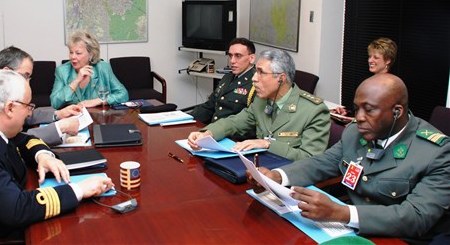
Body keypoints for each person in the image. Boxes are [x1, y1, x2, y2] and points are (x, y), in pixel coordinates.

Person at [248, 73, 450, 243]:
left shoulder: (437, 153)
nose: (359, 117)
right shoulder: (355, 132)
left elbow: (415, 217)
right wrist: (276, 177)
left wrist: (340, 213)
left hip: (400, 238)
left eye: (369, 110)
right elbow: (322, 163)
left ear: (397, 112)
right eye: (357, 108)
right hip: (348, 230)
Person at [0, 70, 114, 239]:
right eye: (28, 106)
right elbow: (16, 208)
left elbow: (24, 141)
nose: (30, 113)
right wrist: (80, 189)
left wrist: (43, 156)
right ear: (10, 108)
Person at [188, 49, 330, 161]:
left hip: (289, 180)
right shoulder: (261, 101)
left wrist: (267, 144)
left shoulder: (313, 111)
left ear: (281, 79)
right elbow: (234, 123)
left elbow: (311, 160)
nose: (254, 78)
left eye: (261, 73)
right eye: (256, 71)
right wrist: (206, 134)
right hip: (259, 170)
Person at [0, 46, 81, 146]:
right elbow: (9, 141)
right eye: (25, 76)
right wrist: (60, 128)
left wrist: (58, 114)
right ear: (6, 72)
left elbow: (25, 115)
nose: (27, 83)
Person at [50, 30, 129, 109]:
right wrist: (76, 81)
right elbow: (54, 103)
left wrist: (98, 101)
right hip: (73, 118)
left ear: (91, 54)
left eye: (78, 53)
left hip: (100, 117)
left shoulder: (103, 68)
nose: (73, 57)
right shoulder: (62, 71)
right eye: (71, 52)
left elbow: (123, 94)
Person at [190, 38, 256, 124]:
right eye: (230, 56)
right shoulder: (227, 77)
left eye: (238, 56)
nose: (232, 61)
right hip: (214, 129)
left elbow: (250, 121)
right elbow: (210, 106)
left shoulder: (257, 82)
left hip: (233, 134)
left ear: (251, 58)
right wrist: (186, 118)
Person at [333, 37, 398, 116]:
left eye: (376, 57)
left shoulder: (393, 86)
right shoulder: (365, 80)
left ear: (388, 60)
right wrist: (346, 111)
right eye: (370, 56)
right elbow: (356, 106)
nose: (370, 60)